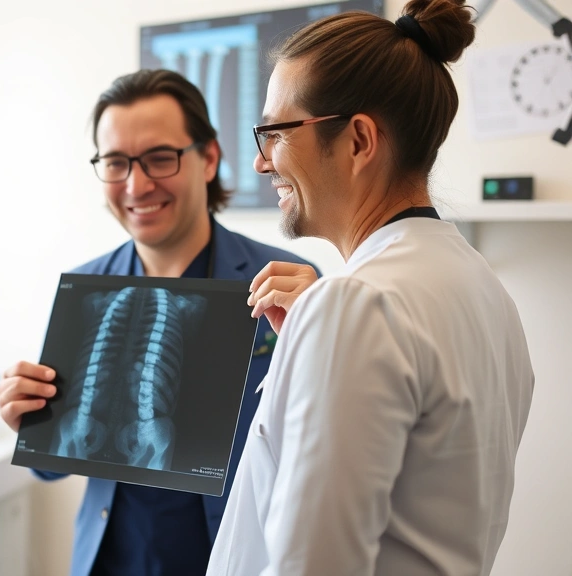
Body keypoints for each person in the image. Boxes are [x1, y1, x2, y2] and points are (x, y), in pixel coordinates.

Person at [206, 1, 535, 574]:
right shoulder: (486, 293)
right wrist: (312, 350)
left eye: (276, 133)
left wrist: (331, 327)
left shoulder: (355, 306)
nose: (262, 163)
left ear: (359, 140)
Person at [0, 69, 316, 576]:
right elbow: (54, 466)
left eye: (160, 158)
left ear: (209, 158)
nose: (136, 185)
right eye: (115, 163)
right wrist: (29, 424)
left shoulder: (288, 285)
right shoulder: (86, 289)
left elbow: (326, 450)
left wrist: (324, 330)